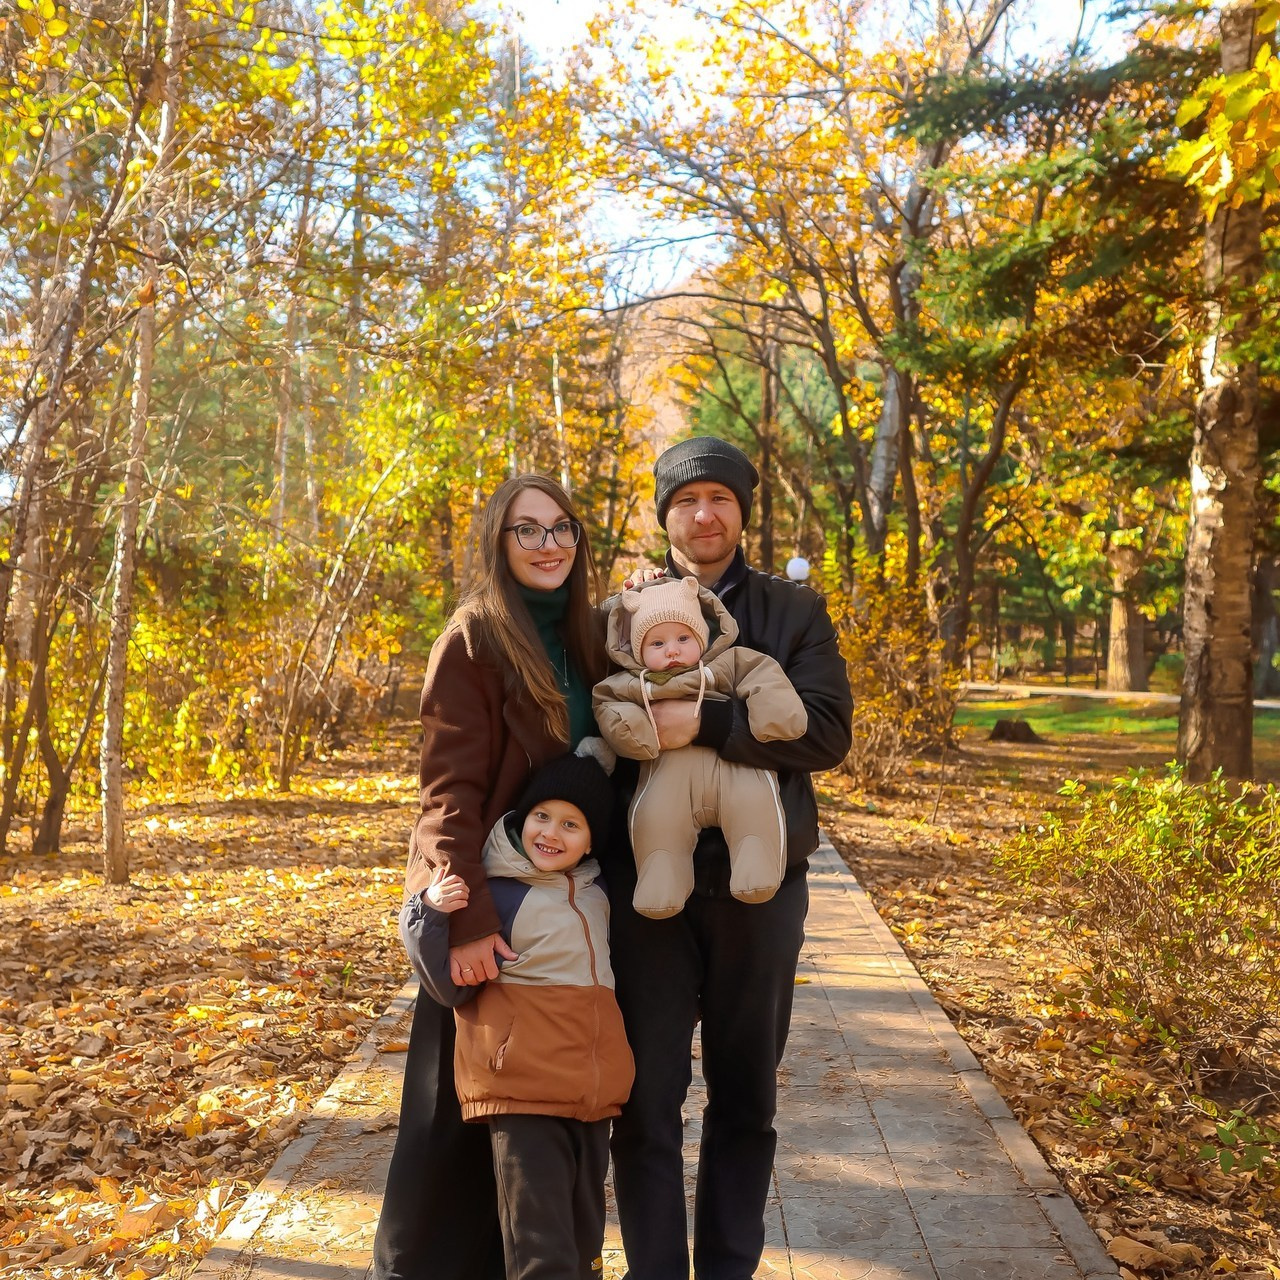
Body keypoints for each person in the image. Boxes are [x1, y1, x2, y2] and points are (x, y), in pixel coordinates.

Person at [601, 436, 854, 1280]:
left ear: (744, 510)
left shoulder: (792, 612)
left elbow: (824, 734)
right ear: (664, 514)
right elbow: (590, 723)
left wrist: (702, 724)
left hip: (761, 891)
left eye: (719, 499)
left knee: (746, 1099)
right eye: (684, 501)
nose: (702, 515)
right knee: (645, 1103)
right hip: (649, 896)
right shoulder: (623, 613)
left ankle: (727, 1271)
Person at [372, 474, 608, 1280]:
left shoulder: (586, 635)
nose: (549, 544)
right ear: (497, 545)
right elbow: (449, 791)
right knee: (452, 1115)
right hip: (488, 899)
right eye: (527, 530)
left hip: (559, 908)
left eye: (561, 528)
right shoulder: (475, 636)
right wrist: (467, 919)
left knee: (534, 1116)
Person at [400, 746, 634, 1280]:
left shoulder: (597, 892)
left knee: (584, 1246)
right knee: (539, 1248)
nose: (552, 832)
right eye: (542, 816)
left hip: (590, 1093)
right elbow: (446, 984)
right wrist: (428, 913)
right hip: (523, 1089)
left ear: (593, 839)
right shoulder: (499, 896)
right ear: (522, 819)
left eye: (572, 824)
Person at [592, 574, 808, 917]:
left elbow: (762, 675)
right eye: (657, 644)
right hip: (669, 776)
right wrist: (631, 730)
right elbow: (607, 704)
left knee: (755, 803)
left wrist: (774, 713)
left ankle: (757, 864)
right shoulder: (634, 683)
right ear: (635, 651)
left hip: (736, 769)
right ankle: (661, 876)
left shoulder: (726, 663)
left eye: (682, 637)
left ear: (702, 636)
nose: (672, 650)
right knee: (655, 816)